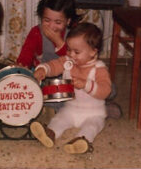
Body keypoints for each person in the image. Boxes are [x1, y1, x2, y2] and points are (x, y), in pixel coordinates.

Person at [30, 22, 111, 154]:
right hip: (71, 109)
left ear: (93, 51)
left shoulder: (99, 69)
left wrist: (86, 85)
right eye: (69, 50)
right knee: (59, 119)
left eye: (77, 52)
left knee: (91, 127)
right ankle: (49, 133)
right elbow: (54, 65)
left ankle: (81, 141)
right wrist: (43, 69)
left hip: (94, 113)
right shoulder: (68, 62)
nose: (71, 55)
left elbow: (105, 90)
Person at [16, 0, 80, 69]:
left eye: (58, 22)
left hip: (69, 74)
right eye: (46, 20)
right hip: (42, 74)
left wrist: (59, 42)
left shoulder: (76, 33)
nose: (51, 26)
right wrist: (22, 65)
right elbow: (26, 54)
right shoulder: (36, 32)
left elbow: (78, 62)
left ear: (68, 21)